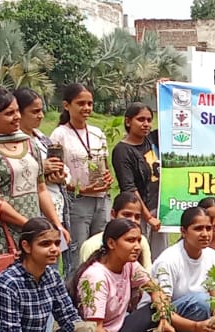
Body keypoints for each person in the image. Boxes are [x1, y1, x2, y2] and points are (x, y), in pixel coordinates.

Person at [69, 217, 173, 332]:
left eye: (138, 240)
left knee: (152, 311)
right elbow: (96, 331)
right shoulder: (95, 277)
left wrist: (164, 319)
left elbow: (156, 290)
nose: (137, 246)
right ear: (111, 243)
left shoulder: (129, 265)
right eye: (130, 240)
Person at [0, 87, 67, 256]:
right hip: (2, 234)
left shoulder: (29, 143)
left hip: (34, 232)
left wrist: (56, 225)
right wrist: (28, 225)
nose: (17, 117)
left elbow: (41, 189)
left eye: (17, 111)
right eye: (9, 113)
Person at [151, 206, 215, 332]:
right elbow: (162, 308)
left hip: (198, 315)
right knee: (201, 301)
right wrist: (197, 327)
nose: (205, 234)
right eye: (198, 229)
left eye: (208, 228)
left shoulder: (213, 257)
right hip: (163, 316)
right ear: (183, 231)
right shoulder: (168, 260)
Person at [51, 83, 113, 275]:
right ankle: (74, 290)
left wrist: (107, 177)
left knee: (101, 249)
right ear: (67, 105)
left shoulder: (97, 133)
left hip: (101, 200)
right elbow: (55, 175)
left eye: (89, 103)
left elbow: (104, 165)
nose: (86, 108)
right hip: (76, 201)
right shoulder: (59, 135)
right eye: (81, 103)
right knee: (77, 253)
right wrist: (81, 189)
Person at [15, 86, 69, 260]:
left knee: (53, 257)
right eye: (35, 111)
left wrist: (61, 176)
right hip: (32, 210)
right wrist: (41, 168)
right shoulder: (14, 143)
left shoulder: (42, 138)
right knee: (37, 258)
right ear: (19, 113)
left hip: (55, 206)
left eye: (41, 111)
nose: (40, 116)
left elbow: (64, 168)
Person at [112, 102, 165, 260]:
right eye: (141, 119)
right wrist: (148, 217)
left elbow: (172, 124)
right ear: (128, 121)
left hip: (159, 209)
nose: (146, 124)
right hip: (138, 212)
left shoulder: (152, 140)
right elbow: (129, 187)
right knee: (139, 254)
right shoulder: (122, 151)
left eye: (149, 120)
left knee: (159, 256)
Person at [78, 191, 152, 270]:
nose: (132, 220)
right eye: (127, 215)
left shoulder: (142, 241)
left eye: (137, 217)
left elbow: (147, 272)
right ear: (113, 214)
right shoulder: (92, 245)